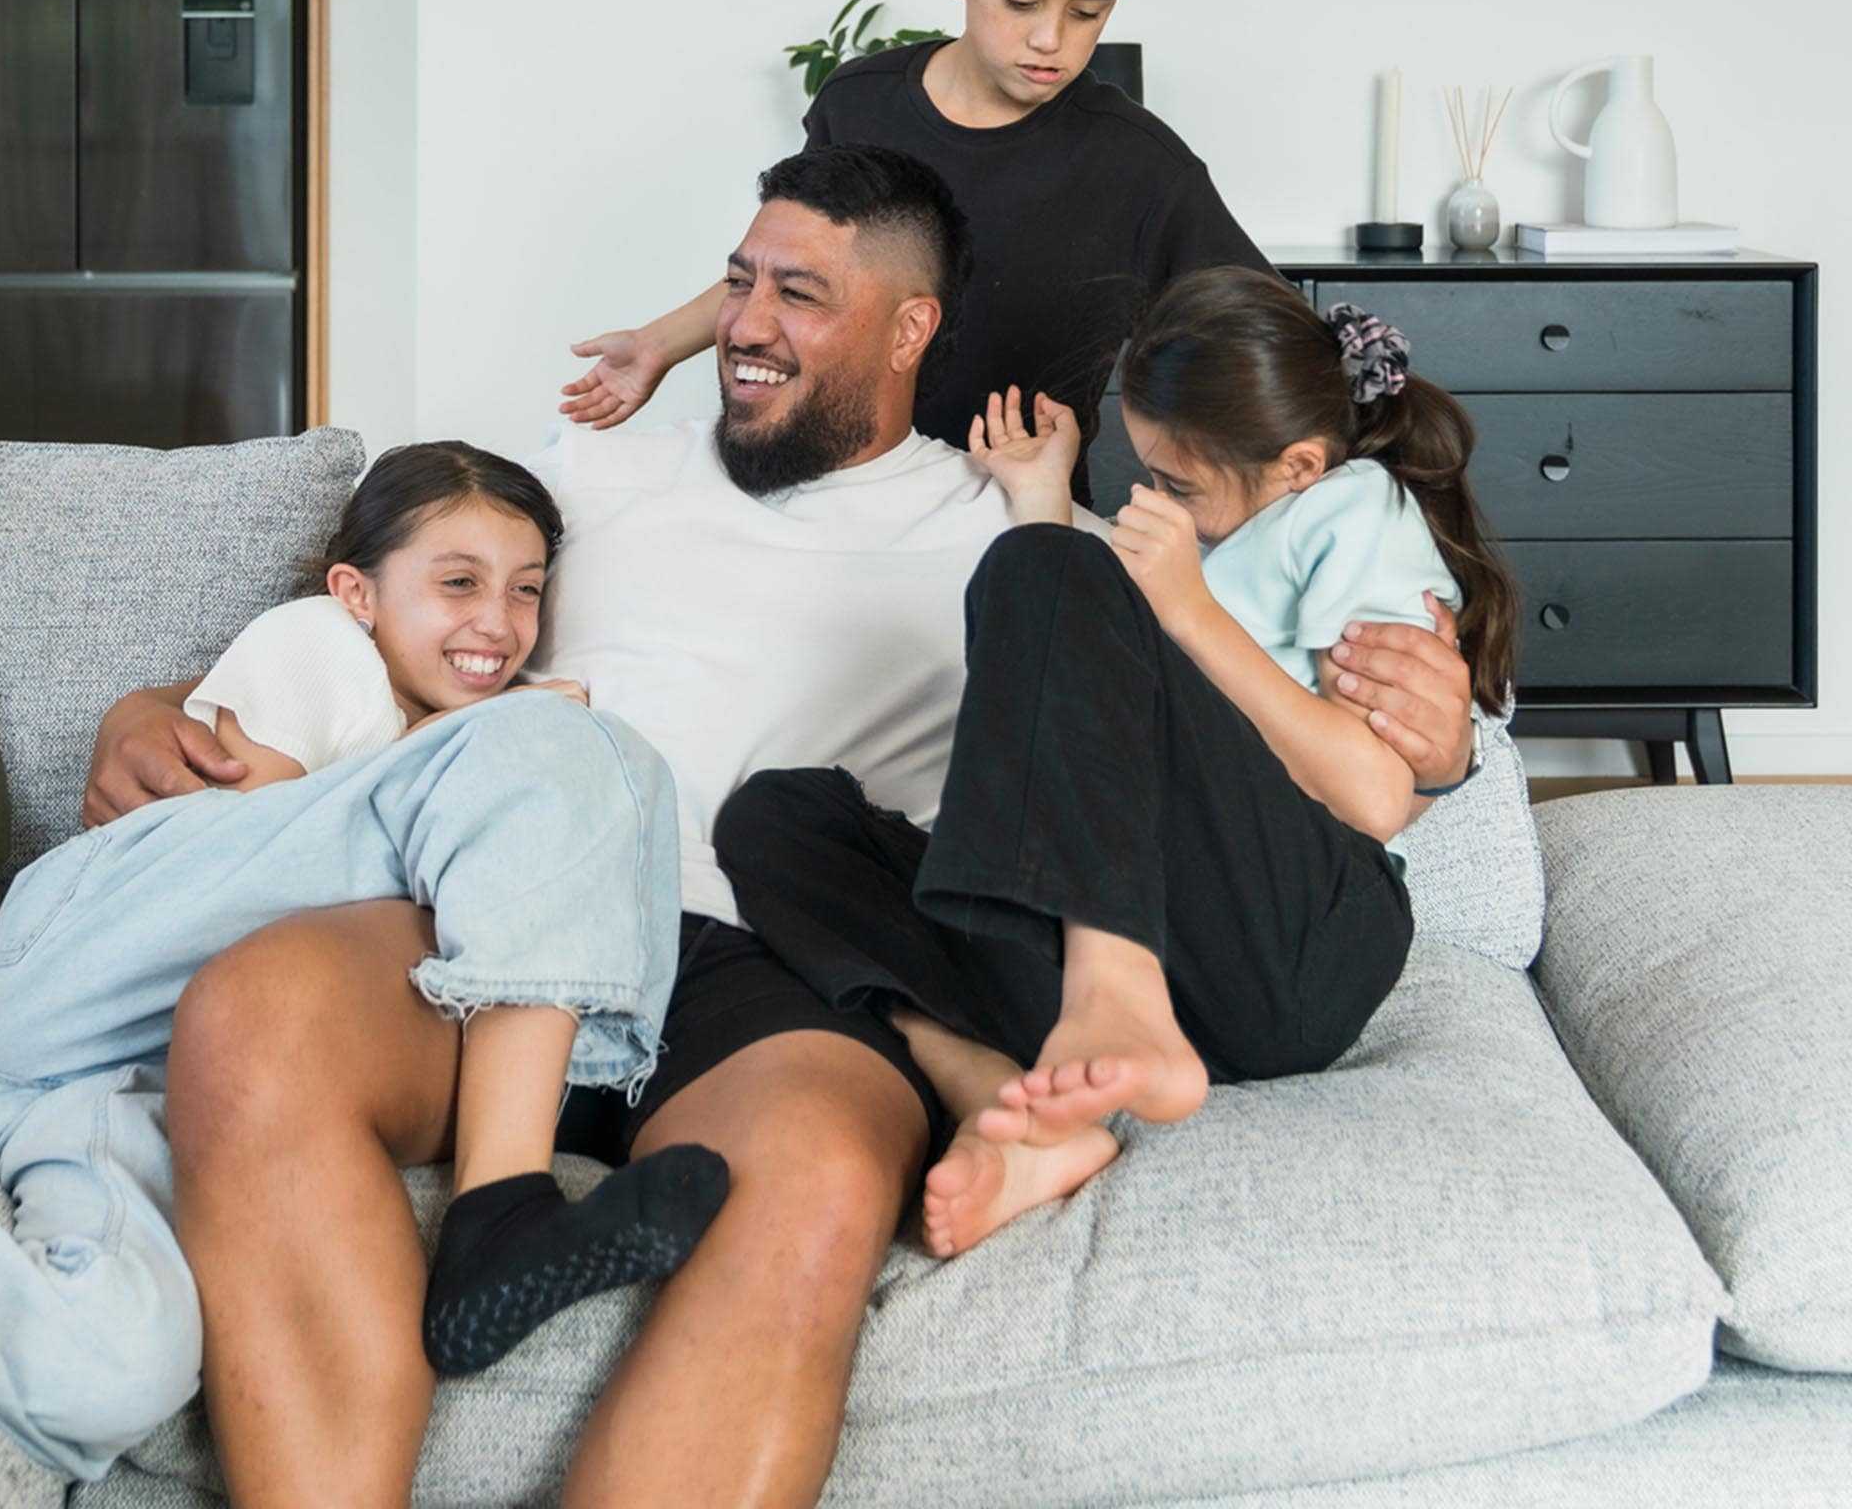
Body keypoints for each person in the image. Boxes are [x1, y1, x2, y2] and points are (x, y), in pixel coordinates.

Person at [83, 147, 1481, 1508]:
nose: (745, 326)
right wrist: (161, 702)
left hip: (764, 979)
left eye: (798, 296)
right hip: (498, 910)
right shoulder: (594, 463)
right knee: (252, 1017)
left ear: (908, 327)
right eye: (738, 283)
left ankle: (1035, 1063)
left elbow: (1200, 738)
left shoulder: (1000, 526)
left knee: (812, 1168)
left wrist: (1442, 750)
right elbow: (397, 612)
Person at [0, 443, 721, 1484]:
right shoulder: (314, 645)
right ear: (354, 591)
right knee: (576, 750)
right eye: (457, 582)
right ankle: (505, 1208)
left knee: (119, 1365)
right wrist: (500, 741)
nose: (497, 619)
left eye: (524, 589)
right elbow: (254, 824)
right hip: (84, 950)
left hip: (91, 1087)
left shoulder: (428, 716)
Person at [714, 267, 1522, 1258]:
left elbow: (1369, 794)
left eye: (1174, 481)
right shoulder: (1228, 538)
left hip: (1297, 945)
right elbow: (1080, 696)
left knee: (1043, 565)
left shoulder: (1350, 516)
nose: (1151, 497)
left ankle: (1111, 992)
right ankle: (998, 1096)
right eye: (1144, 471)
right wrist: (1041, 493)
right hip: (1175, 964)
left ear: (1298, 465)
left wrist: (1184, 608)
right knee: (776, 815)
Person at [559, 0, 1268, 505]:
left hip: (1017, 510)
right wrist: (658, 343)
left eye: (1087, 13)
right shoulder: (861, 104)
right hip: (841, 486)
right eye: (1019, 1)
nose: (1050, 39)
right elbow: (792, 272)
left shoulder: (1142, 166)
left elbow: (1265, 342)